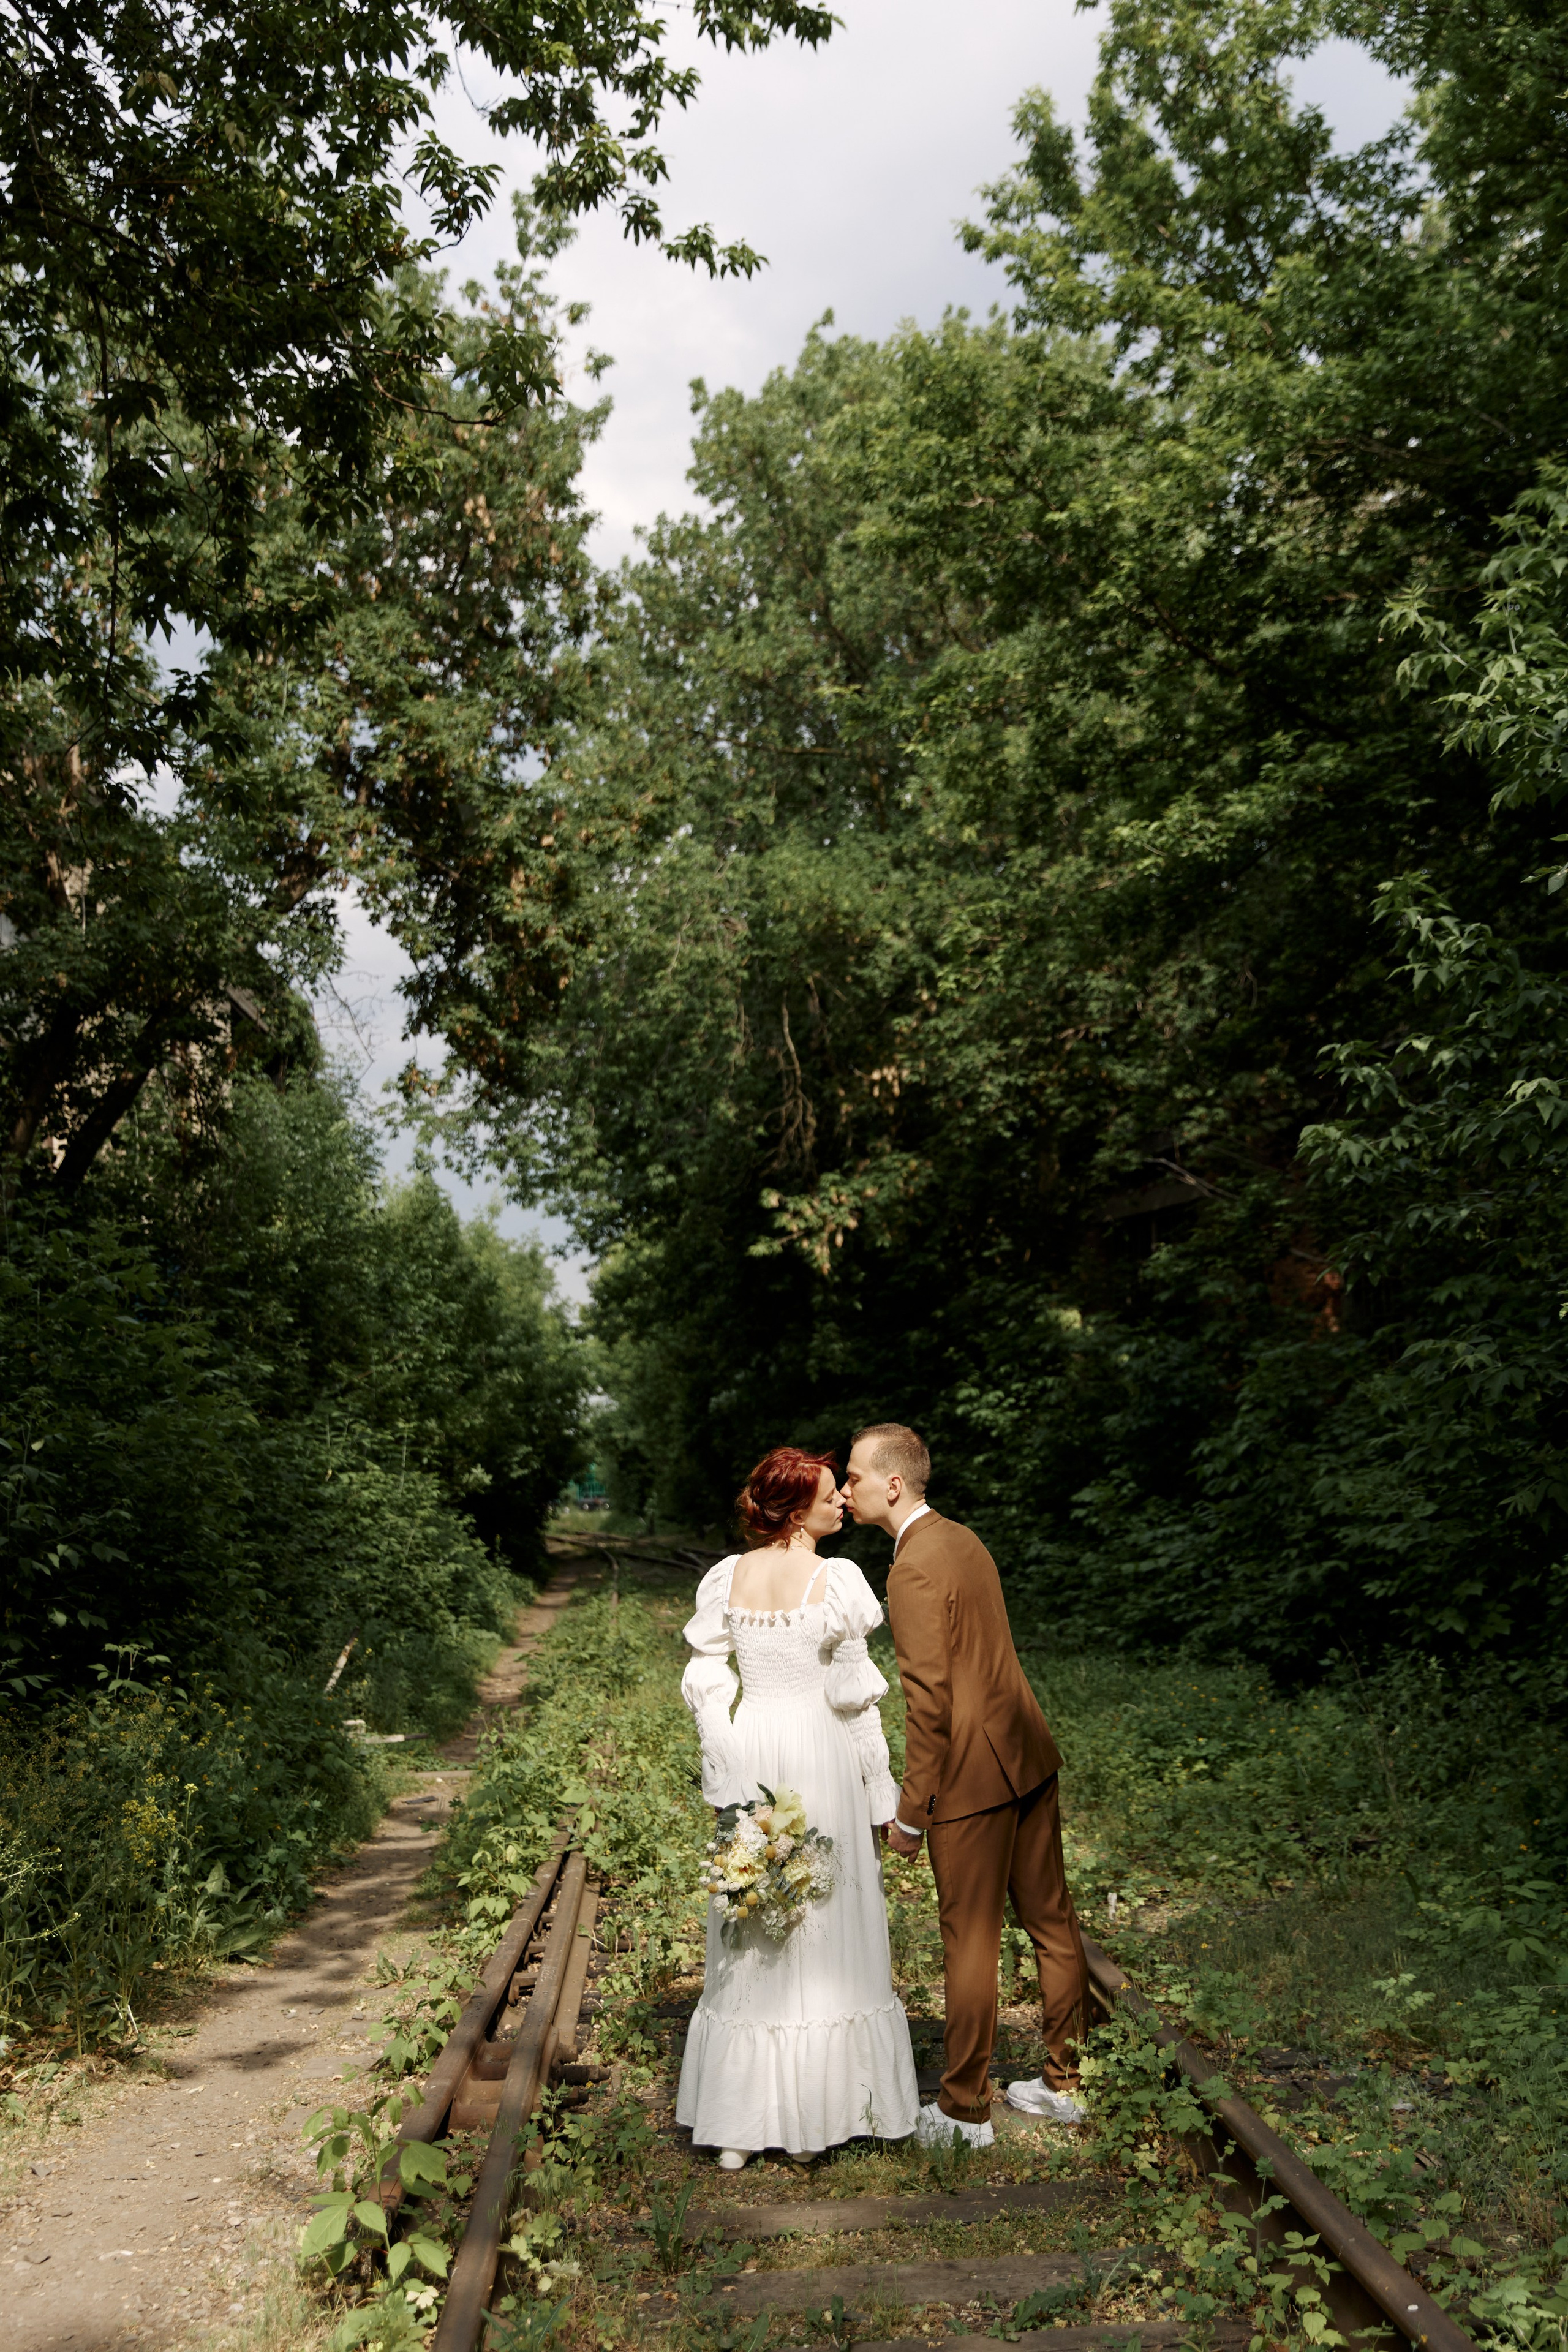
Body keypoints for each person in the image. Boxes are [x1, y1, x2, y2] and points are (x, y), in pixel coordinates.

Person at [842, 1422, 1090, 2148]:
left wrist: (910, 1813)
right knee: (1051, 1921)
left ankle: (963, 2109)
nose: (845, 1487)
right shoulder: (964, 1539)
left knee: (970, 1938)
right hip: (1026, 1755)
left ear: (892, 1483)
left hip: (972, 1781)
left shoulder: (911, 1566)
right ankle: (1063, 2082)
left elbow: (930, 1701)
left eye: (854, 1475)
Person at [676, 1446, 920, 2168]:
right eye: (826, 1493)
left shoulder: (728, 1577)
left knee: (756, 1916)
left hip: (755, 1746)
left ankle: (742, 2127)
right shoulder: (838, 1580)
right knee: (818, 1916)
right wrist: (883, 1794)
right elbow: (855, 1701)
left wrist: (724, 1767)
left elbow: (705, 1680)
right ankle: (823, 2112)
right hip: (818, 1754)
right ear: (793, 1509)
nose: (841, 1500)